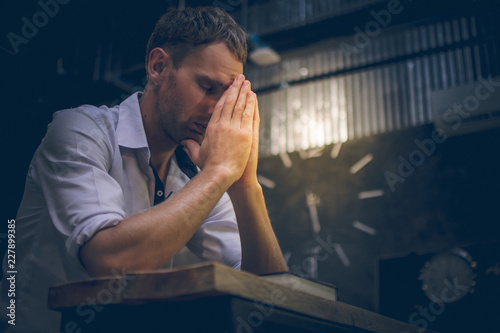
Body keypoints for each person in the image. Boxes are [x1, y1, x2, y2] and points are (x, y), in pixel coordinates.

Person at [0, 6, 287, 332]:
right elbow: (111, 264)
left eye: (226, 97)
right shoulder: (78, 131)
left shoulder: (199, 168)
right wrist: (219, 172)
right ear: (158, 66)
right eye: (207, 87)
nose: (215, 111)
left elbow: (270, 290)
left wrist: (245, 183)